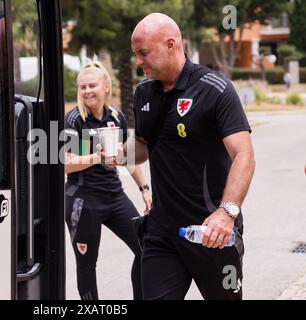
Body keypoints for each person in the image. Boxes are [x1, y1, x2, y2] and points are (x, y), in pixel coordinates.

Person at [124, 13, 256, 300]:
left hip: (211, 234)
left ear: (171, 44)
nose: (138, 62)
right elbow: (144, 146)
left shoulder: (215, 89)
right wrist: (120, 153)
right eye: (135, 54)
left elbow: (244, 155)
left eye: (144, 53)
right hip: (161, 234)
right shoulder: (143, 93)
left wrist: (227, 213)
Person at [64, 61, 152, 300]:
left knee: (146, 248)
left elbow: (129, 157)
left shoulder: (117, 117)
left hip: (114, 197)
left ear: (106, 87)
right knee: (86, 264)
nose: (87, 91)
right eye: (82, 87)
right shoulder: (74, 120)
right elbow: (67, 163)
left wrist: (144, 188)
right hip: (83, 201)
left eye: (92, 85)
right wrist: (96, 156)